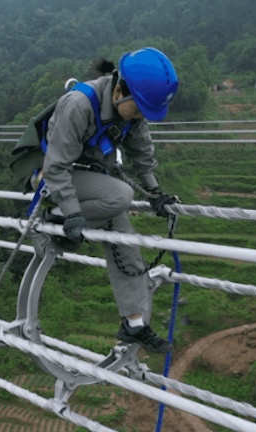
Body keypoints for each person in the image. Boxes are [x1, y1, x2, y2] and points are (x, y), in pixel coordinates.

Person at [39, 47, 179, 353]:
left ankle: (134, 324)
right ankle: (56, 218)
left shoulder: (131, 112)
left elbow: (141, 154)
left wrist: (155, 192)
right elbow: (55, 166)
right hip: (51, 180)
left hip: (92, 181)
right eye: (139, 109)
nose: (141, 116)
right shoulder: (79, 104)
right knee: (122, 196)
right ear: (118, 91)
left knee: (126, 244)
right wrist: (72, 212)